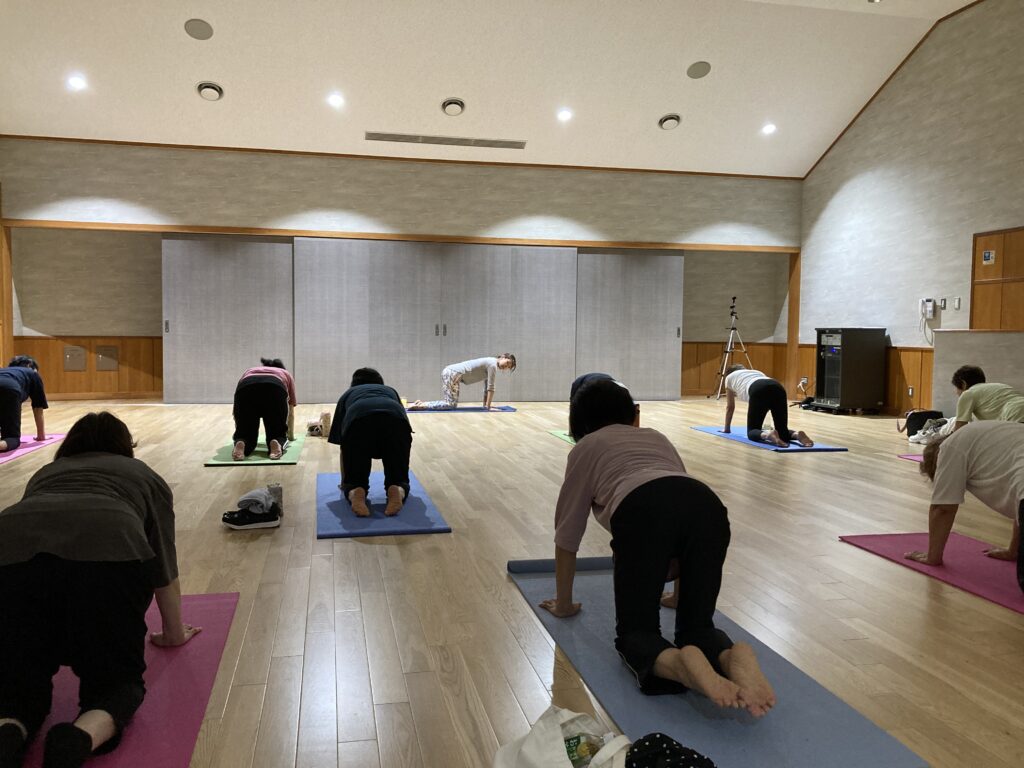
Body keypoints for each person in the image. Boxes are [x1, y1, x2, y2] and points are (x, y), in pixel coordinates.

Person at [541, 377, 775, 717]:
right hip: (707, 505)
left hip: (642, 510)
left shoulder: (586, 447)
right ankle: (729, 657)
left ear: (578, 422)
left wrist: (564, 604)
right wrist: (678, 596)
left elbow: (568, 533)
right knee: (698, 627)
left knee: (636, 633)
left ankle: (681, 666)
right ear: (631, 413)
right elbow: (678, 502)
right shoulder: (656, 436)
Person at [0, 412, 199, 768]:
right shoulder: (143, 475)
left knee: (17, 684)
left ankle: (8, 729)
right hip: (107, 561)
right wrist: (173, 633)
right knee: (116, 685)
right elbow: (162, 566)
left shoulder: (46, 472)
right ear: (124, 446)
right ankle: (79, 737)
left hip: (11, 562)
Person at [905, 420, 1024, 594]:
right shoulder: (991, 433)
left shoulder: (949, 448)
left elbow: (943, 508)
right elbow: (1018, 498)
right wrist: (1014, 550)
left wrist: (932, 556)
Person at [328, 368, 413, 517]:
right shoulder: (390, 390)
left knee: (355, 477)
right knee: (398, 473)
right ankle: (397, 488)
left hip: (359, 420)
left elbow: (342, 443)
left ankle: (356, 491)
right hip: (395, 420)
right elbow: (403, 420)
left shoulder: (348, 394)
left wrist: (346, 483)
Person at [722, 364, 812, 447]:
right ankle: (797, 435)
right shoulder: (756, 372)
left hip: (757, 389)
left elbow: (730, 407)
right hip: (777, 386)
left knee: (752, 431)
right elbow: (767, 394)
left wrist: (727, 429)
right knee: (782, 432)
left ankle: (768, 435)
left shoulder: (729, 378)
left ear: (729, 373)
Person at [231, 357, 296, 461]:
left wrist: (240, 431)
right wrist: (290, 435)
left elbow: (237, 408)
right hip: (274, 388)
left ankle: (242, 442)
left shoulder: (250, 371)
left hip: (246, 387)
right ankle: (276, 442)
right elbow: (291, 410)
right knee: (277, 432)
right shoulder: (285, 373)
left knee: (245, 433)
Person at [408, 353, 516, 410]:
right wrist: (488, 407)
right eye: (507, 363)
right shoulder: (493, 364)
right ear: (502, 357)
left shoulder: (491, 363)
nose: (506, 366)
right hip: (453, 373)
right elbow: (491, 388)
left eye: (508, 367)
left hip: (453, 373)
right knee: (450, 404)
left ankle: (420, 404)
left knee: (450, 404)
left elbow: (486, 386)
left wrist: (485, 405)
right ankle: (422, 405)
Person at [949, 365, 1024, 431]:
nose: (956, 392)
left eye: (956, 388)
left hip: (1015, 413)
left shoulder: (968, 393)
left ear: (963, 384)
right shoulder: (998, 386)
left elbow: (960, 428)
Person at [0, 355, 48, 453]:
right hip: (9, 389)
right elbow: (38, 408)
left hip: (8, 388)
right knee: (12, 438)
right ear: (30, 366)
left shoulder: (4, 371)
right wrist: (41, 435)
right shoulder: (32, 373)